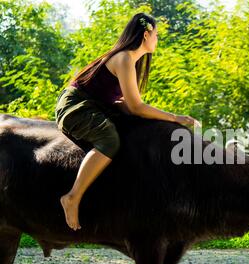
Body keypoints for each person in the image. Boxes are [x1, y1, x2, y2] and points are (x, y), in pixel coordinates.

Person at [55, 13, 199, 231]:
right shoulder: (124, 58)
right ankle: (72, 198)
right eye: (157, 35)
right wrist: (176, 118)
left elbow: (126, 103)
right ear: (146, 34)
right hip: (76, 107)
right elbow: (136, 106)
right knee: (109, 140)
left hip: (96, 106)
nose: (157, 40)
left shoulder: (130, 60)